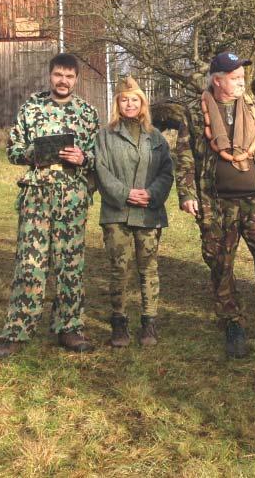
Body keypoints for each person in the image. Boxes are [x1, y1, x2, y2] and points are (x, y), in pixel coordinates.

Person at [174, 51, 255, 358]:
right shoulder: (194, 112)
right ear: (217, 80)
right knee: (221, 266)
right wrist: (187, 195)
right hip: (216, 206)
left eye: (242, 76)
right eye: (235, 77)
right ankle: (232, 324)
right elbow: (185, 156)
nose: (242, 81)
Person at [0, 53, 100, 359]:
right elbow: (12, 151)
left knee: (71, 264)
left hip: (72, 196)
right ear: (50, 76)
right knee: (30, 263)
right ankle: (17, 330)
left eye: (68, 76)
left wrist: (83, 158)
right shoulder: (31, 108)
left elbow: (97, 156)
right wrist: (33, 154)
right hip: (38, 195)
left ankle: (70, 328)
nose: (62, 81)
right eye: (58, 75)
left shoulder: (87, 113)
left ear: (76, 79)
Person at [95, 76, 173, 347]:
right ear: (117, 103)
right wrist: (124, 193)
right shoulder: (105, 136)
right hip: (117, 213)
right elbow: (100, 170)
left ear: (143, 103)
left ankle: (149, 322)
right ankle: (119, 322)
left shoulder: (157, 137)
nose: (130, 104)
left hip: (149, 213)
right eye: (124, 99)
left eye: (135, 100)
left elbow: (167, 172)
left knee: (148, 268)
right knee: (119, 269)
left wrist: (151, 194)